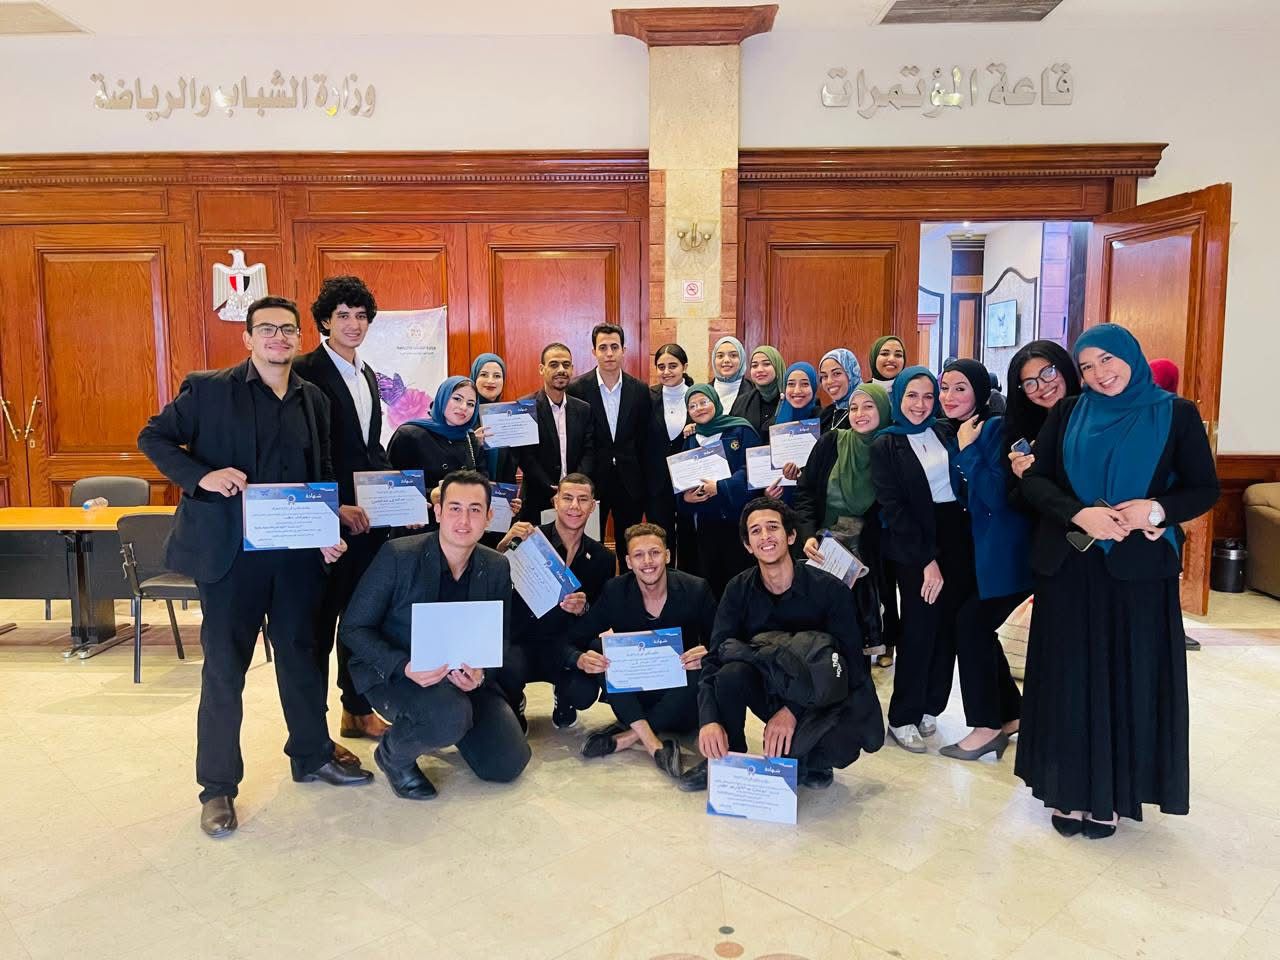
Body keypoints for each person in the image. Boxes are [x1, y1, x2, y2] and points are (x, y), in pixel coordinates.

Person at [138, 295, 373, 838]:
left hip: (294, 557)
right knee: (226, 669)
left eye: (287, 329)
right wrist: (202, 476)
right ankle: (218, 787)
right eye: (267, 329)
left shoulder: (313, 398)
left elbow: (321, 471)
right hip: (229, 558)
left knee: (302, 658)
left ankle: (311, 755)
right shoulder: (208, 389)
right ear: (247, 338)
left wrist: (326, 527)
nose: (278, 337)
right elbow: (153, 436)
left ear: (299, 338)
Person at [1015, 324, 1218, 838]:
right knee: (1070, 680)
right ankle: (1067, 791)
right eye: (1087, 366)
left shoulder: (1176, 414)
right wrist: (1078, 513)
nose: (1099, 374)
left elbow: (1203, 488)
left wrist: (1157, 511)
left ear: (1130, 355)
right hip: (1071, 567)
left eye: (1107, 359)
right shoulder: (1068, 412)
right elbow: (1035, 481)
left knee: (1127, 679)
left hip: (1137, 574)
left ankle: (1112, 796)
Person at [339, 470, 529, 800]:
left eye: (474, 510)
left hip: (461, 678)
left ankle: (446, 724)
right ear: (438, 512)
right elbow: (353, 628)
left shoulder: (496, 566)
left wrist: (482, 674)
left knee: (507, 763)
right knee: (449, 715)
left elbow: (500, 638)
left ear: (489, 516)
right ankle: (393, 755)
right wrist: (404, 666)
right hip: (397, 673)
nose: (464, 520)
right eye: (455, 508)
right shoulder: (398, 556)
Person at [678, 498, 885, 792]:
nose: (765, 536)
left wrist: (793, 711)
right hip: (769, 686)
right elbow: (715, 657)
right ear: (748, 545)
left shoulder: (830, 590)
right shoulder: (737, 590)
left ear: (790, 536)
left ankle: (815, 758)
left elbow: (850, 664)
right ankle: (727, 758)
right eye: (756, 531)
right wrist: (709, 720)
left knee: (834, 746)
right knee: (729, 673)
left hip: (821, 692)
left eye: (773, 527)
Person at [293, 275, 392, 752]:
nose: (354, 324)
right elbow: (297, 455)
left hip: (366, 524)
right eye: (343, 315)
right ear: (324, 321)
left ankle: (356, 709)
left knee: (358, 620)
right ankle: (312, 735)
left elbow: (370, 450)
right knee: (317, 628)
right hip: (323, 524)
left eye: (361, 316)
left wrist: (402, 497)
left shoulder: (367, 374)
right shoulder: (303, 371)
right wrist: (332, 509)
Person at [871, 366, 975, 754]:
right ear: (898, 397)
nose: (920, 404)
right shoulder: (886, 444)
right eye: (912, 396)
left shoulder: (945, 431)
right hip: (915, 540)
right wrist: (927, 560)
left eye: (928, 396)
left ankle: (932, 705)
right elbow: (894, 508)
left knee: (948, 626)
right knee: (919, 626)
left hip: (956, 535)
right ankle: (903, 715)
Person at [571, 523, 717, 779]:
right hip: (635, 698)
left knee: (701, 665)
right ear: (628, 561)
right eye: (639, 555)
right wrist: (580, 658)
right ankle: (654, 745)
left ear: (667, 556)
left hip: (681, 699)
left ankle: (628, 737)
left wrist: (707, 653)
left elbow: (721, 641)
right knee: (599, 649)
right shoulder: (615, 590)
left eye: (655, 553)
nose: (648, 561)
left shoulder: (696, 589)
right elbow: (579, 635)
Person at [940, 360, 1025, 761]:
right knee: (976, 626)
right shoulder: (964, 429)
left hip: (1009, 552)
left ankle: (986, 726)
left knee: (971, 626)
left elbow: (995, 495)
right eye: (945, 388)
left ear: (979, 391)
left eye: (960, 388)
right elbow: (965, 496)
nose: (949, 396)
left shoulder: (993, 429)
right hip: (985, 552)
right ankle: (1011, 713)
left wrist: (967, 450)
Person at [494, 473, 615, 731]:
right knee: (504, 669)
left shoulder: (602, 557)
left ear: (593, 507)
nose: (575, 506)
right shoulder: (528, 539)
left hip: (565, 644)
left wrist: (584, 608)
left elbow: (601, 616)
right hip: (522, 639)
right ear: (555, 501)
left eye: (583, 499)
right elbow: (491, 583)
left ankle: (564, 696)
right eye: (567, 498)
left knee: (582, 691)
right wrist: (503, 546)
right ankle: (514, 700)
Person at [793, 382, 892, 666]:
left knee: (860, 630)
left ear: (883, 410)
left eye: (868, 407)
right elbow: (805, 492)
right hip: (824, 548)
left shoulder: (890, 449)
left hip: (870, 554)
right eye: (854, 408)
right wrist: (808, 535)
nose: (859, 414)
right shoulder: (831, 442)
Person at [567, 323, 651, 542]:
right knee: (590, 543)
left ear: (624, 350)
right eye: (603, 348)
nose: (609, 353)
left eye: (615, 347)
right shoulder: (576, 389)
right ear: (594, 351)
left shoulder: (640, 390)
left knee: (629, 544)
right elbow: (574, 440)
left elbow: (644, 439)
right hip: (592, 480)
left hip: (631, 482)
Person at [675, 384, 761, 597]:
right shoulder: (691, 438)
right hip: (706, 526)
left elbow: (753, 468)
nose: (699, 408)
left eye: (704, 402)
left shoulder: (741, 429)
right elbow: (681, 481)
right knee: (711, 582)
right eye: (692, 406)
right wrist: (686, 499)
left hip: (739, 522)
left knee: (742, 582)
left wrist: (721, 488)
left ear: (715, 401)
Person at [388, 376, 484, 529]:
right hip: (419, 529)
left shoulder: (469, 438)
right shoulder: (410, 435)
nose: (464, 407)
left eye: (471, 404)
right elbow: (390, 488)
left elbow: (481, 480)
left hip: (460, 528)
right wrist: (431, 494)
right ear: (442, 398)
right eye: (457, 399)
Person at [515, 343, 596, 522]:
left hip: (577, 499)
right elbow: (526, 457)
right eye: (554, 364)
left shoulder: (584, 409)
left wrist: (573, 488)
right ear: (541, 369)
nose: (561, 370)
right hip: (537, 498)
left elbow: (589, 451)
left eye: (566, 365)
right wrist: (551, 490)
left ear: (572, 369)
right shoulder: (525, 407)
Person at [1003, 340, 1081, 486]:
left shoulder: (1091, 414)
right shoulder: (1022, 428)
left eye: (1048, 372)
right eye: (1030, 383)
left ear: (1064, 367)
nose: (1043, 386)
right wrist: (1024, 475)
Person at [645, 343, 695, 568]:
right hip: (656, 482)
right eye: (661, 366)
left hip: (689, 481)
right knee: (660, 536)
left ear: (684, 366)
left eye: (673, 366)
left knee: (689, 535)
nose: (666, 371)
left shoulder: (698, 395)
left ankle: (687, 580)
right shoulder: (648, 396)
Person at [470, 352, 519, 485]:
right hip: (471, 491)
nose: (490, 381)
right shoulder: (463, 416)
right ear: (474, 377)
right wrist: (471, 443)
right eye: (484, 375)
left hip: (502, 493)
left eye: (497, 376)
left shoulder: (509, 416)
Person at [710, 335, 762, 432]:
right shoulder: (703, 392)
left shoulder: (754, 391)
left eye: (733, 355)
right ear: (713, 359)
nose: (726, 360)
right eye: (720, 356)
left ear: (742, 359)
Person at [817, 348, 863, 433]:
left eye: (836, 373)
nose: (829, 381)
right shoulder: (827, 414)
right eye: (824, 376)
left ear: (851, 374)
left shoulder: (864, 414)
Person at [745, 345, 786, 433]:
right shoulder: (742, 402)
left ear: (777, 367)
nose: (759, 370)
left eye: (766, 364)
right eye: (754, 365)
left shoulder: (793, 399)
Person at [773, 361, 820, 426]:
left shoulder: (824, 421)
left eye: (805, 384)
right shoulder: (773, 423)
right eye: (791, 384)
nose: (797, 391)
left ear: (813, 387)